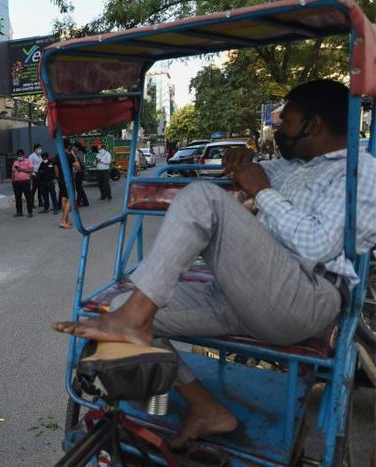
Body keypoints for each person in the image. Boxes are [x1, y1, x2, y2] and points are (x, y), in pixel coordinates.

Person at [52, 80, 376, 448]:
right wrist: (241, 162)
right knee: (131, 307)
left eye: (286, 118)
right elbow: (251, 175)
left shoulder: (362, 173)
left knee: (202, 198)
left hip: (305, 300)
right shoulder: (290, 167)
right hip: (245, 295)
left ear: (314, 124)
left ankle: (133, 320)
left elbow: (318, 246)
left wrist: (262, 192)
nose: (277, 124)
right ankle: (207, 408)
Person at [55, 143, 77, 229]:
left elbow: (56, 168)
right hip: (68, 179)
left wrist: (58, 178)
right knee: (71, 198)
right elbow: (78, 166)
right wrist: (73, 154)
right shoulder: (69, 155)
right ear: (68, 147)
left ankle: (66, 220)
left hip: (61, 180)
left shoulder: (57, 156)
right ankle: (63, 220)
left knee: (64, 198)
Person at [11, 148, 34, 218]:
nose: (19, 156)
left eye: (20, 155)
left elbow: (31, 170)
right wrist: (12, 181)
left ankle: (30, 212)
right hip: (17, 182)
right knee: (18, 198)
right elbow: (13, 172)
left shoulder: (28, 161)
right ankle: (19, 212)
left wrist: (22, 170)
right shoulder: (15, 162)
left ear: (23, 155)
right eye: (18, 155)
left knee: (28, 197)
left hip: (25, 182)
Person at [74, 140, 89, 207]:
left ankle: (79, 202)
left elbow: (82, 163)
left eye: (74, 147)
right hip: (79, 172)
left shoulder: (79, 153)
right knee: (79, 188)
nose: (73, 148)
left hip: (80, 172)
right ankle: (85, 201)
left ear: (77, 147)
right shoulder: (77, 153)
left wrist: (85, 171)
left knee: (79, 188)